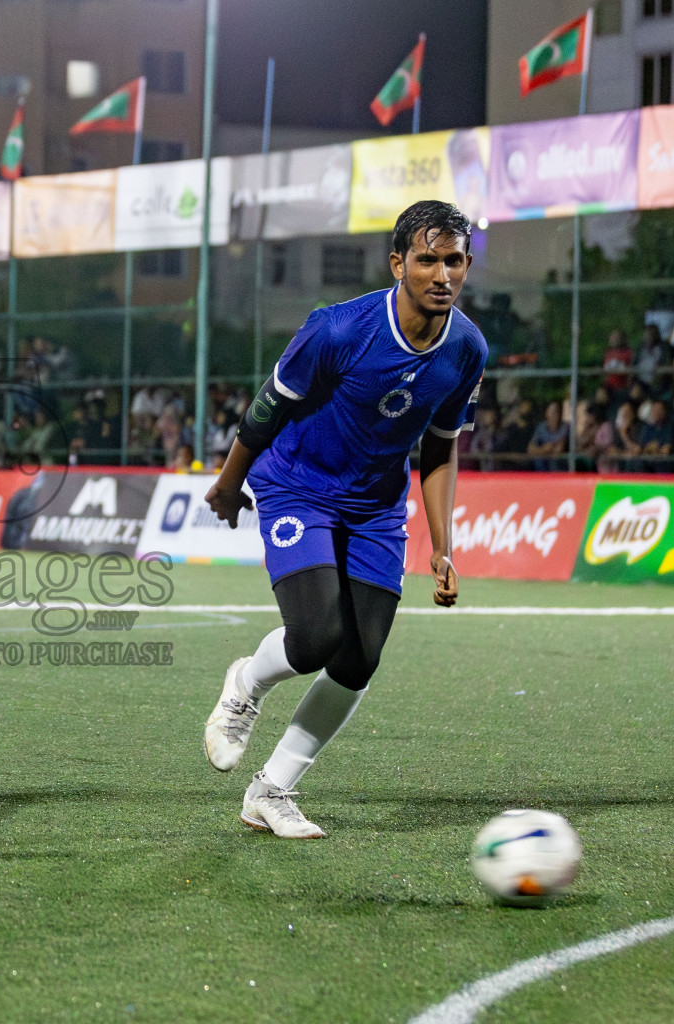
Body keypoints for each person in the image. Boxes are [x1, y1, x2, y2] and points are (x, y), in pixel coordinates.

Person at [200, 200, 487, 838]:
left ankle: (270, 792)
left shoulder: (467, 348)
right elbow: (268, 407)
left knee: (360, 657)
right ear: (398, 263)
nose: (443, 275)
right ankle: (246, 683)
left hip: (377, 505)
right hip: (298, 487)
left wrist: (444, 548)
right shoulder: (338, 330)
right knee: (316, 636)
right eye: (427, 260)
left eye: (455, 261)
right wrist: (228, 484)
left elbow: (440, 445)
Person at [525, 401, 569, 471]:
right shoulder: (541, 427)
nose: (553, 415)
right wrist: (544, 449)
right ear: (546, 413)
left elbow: (559, 450)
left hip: (558, 468)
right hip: (541, 467)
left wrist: (541, 451)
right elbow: (530, 449)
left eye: (556, 412)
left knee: (554, 462)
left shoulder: (564, 427)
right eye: (551, 412)